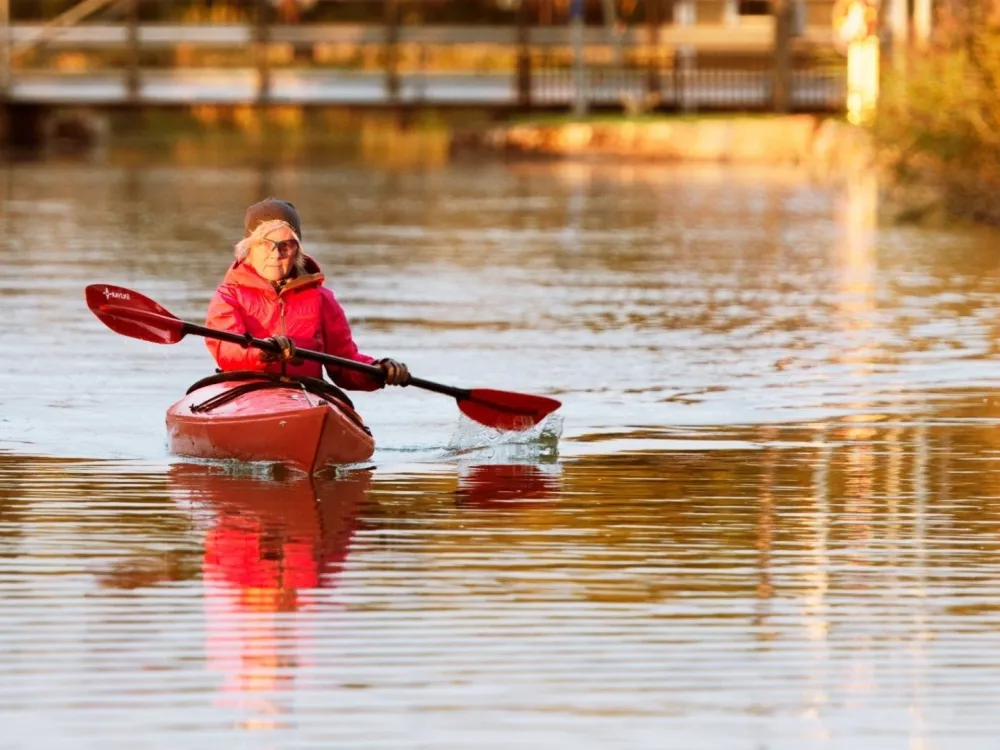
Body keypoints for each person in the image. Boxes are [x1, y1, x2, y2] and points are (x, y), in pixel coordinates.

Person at [205, 198, 409, 390]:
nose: (276, 254)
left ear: (297, 251)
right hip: (246, 396)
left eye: (287, 245)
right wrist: (264, 352)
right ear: (249, 248)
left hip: (306, 394)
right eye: (266, 243)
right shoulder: (228, 296)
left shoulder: (321, 299)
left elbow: (345, 363)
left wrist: (378, 370)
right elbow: (227, 351)